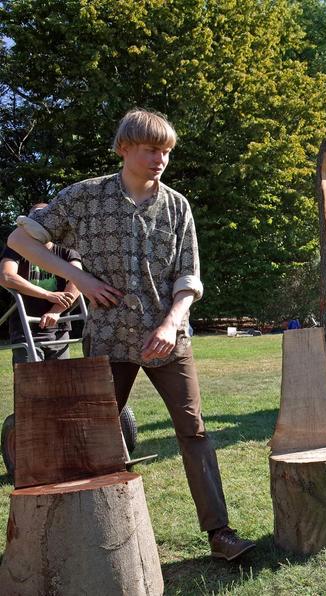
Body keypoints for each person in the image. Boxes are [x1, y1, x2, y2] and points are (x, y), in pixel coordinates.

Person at [7, 108, 255, 561]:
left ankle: (220, 534)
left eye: (166, 150)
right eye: (151, 148)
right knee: (95, 437)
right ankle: (85, 542)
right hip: (107, 337)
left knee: (194, 431)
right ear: (125, 148)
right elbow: (22, 242)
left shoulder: (177, 205)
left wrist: (170, 321)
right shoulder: (84, 198)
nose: (160, 158)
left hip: (167, 341)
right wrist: (75, 277)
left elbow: (189, 277)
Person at [0, 204, 82, 363]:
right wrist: (46, 294)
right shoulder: (17, 246)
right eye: (34, 218)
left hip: (59, 326)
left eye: (44, 217)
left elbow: (79, 279)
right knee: (30, 383)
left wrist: (56, 311)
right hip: (24, 325)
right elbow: (5, 276)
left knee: (61, 383)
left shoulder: (66, 248)